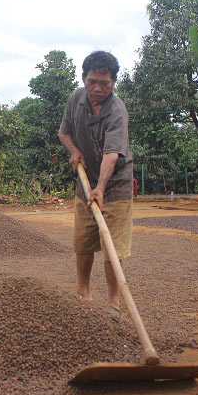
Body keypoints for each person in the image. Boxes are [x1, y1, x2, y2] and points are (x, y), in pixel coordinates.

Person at [58, 51, 133, 319]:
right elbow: (63, 133)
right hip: (85, 182)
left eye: (104, 83)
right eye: (92, 82)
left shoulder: (117, 112)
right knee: (83, 242)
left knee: (112, 247)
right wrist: (73, 150)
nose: (97, 89)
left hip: (115, 186)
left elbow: (111, 156)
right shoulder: (76, 99)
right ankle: (83, 293)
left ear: (114, 82)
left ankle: (113, 302)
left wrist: (100, 188)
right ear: (83, 78)